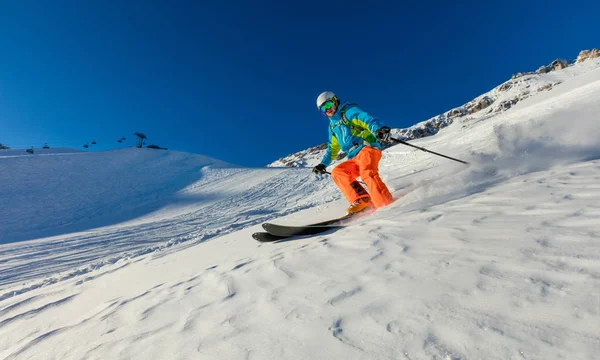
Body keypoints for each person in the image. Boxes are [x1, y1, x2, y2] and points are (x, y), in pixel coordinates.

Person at [313, 91, 394, 215]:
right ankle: (363, 200)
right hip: (354, 157)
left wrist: (379, 129)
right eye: (323, 109)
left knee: (367, 172)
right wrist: (323, 164)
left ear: (335, 101)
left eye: (328, 104)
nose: (327, 110)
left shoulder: (348, 111)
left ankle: (385, 203)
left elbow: (366, 119)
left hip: (367, 148)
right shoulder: (333, 127)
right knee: (339, 173)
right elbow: (332, 148)